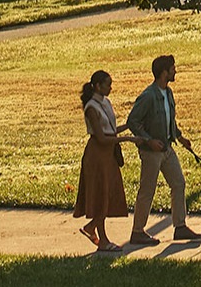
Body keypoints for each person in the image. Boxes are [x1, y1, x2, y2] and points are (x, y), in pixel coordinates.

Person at [127, 53, 193, 241]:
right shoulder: (148, 96)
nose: (175, 71)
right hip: (151, 153)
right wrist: (148, 141)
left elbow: (169, 119)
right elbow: (133, 121)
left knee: (178, 183)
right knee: (147, 190)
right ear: (164, 72)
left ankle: (180, 226)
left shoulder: (168, 93)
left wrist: (180, 137)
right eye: (173, 68)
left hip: (167, 148)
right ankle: (137, 232)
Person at [73, 69, 129, 248]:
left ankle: (91, 227)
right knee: (100, 194)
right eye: (108, 85)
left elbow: (110, 130)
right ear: (97, 86)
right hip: (97, 154)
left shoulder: (106, 102)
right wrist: (129, 139)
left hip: (108, 154)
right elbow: (101, 137)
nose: (110, 88)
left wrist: (129, 126)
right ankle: (102, 239)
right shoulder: (91, 107)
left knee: (109, 193)